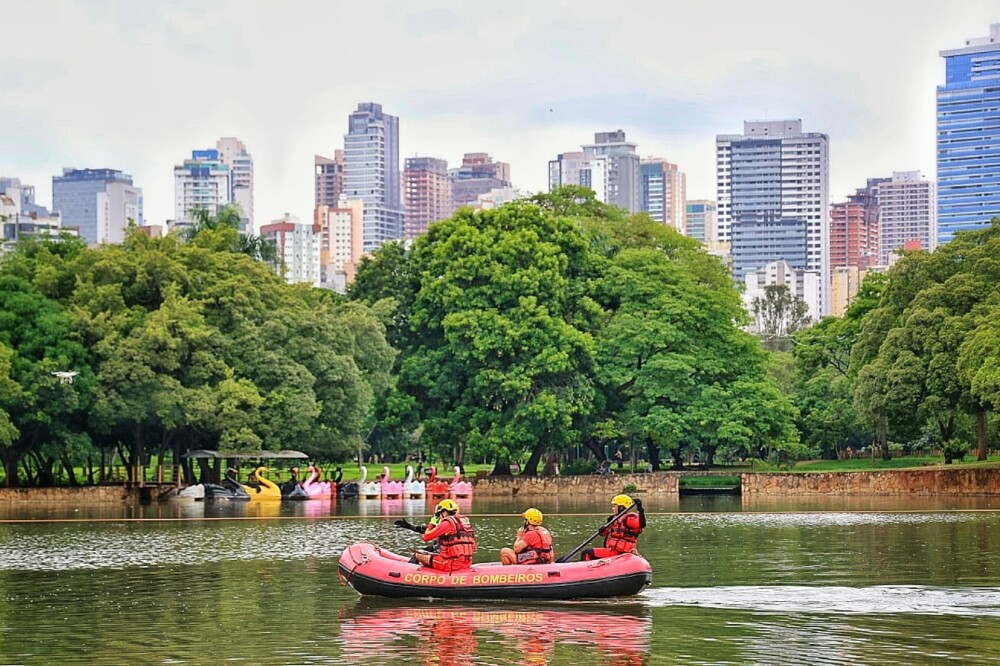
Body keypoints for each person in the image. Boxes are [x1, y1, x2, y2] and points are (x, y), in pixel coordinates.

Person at [394, 499, 477, 572]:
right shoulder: (463, 522)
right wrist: (409, 526)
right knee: (428, 551)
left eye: (439, 514)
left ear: (444, 512)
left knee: (418, 554)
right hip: (466, 562)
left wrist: (432, 522)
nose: (439, 516)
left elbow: (426, 537)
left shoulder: (446, 524)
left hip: (451, 564)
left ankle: (406, 573)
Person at [581, 494, 645, 561]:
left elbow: (642, 525)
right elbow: (604, 534)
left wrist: (640, 510)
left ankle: (587, 570)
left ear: (621, 507)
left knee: (586, 553)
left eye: (614, 506)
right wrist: (602, 530)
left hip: (620, 551)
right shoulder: (614, 519)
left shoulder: (629, 518)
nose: (613, 508)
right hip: (612, 550)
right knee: (589, 552)